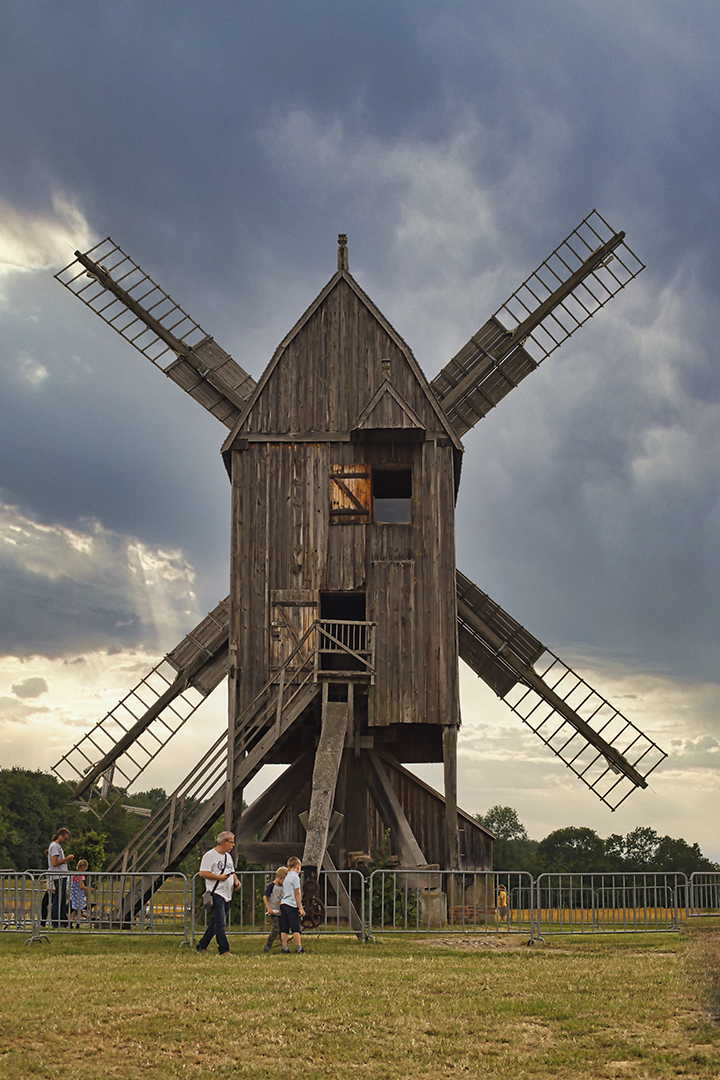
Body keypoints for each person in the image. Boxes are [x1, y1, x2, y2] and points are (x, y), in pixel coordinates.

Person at [196, 831, 240, 956]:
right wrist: (219, 877)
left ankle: (201, 945)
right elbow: (203, 873)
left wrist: (236, 881)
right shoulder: (210, 855)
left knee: (215, 922)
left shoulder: (228, 857)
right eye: (231, 842)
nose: (233, 845)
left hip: (227, 894)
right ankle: (224, 949)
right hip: (216, 893)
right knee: (220, 922)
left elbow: (231, 871)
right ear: (224, 842)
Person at [47, 829, 73, 928]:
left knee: (61, 900)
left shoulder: (57, 846)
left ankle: (63, 921)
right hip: (59, 876)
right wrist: (67, 858)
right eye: (65, 839)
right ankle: (55, 921)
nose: (66, 841)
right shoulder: (54, 846)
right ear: (60, 836)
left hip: (62, 876)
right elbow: (55, 863)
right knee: (58, 899)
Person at [279, 855, 306, 954]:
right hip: (291, 905)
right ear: (298, 867)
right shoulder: (295, 877)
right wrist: (300, 907)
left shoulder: (286, 878)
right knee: (295, 928)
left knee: (284, 928)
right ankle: (298, 948)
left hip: (283, 904)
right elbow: (297, 893)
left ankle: (284, 948)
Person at [262, 866, 288, 952]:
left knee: (282, 930)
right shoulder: (271, 886)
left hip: (282, 912)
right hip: (273, 912)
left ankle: (284, 947)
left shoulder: (284, 887)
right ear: (281, 878)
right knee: (276, 929)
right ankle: (268, 945)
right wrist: (268, 908)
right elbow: (265, 897)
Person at [69, 859, 89, 928]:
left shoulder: (75, 875)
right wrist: (88, 888)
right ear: (83, 867)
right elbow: (81, 886)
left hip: (74, 893)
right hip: (79, 894)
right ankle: (78, 923)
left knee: (76, 910)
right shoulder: (82, 876)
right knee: (79, 910)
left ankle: (71, 922)